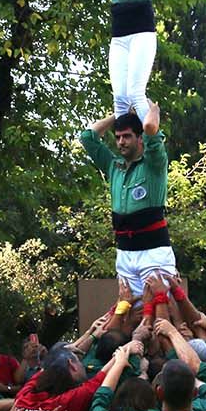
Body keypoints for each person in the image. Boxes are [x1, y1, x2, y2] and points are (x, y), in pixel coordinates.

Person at [81, 102, 173, 307]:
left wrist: (153, 108)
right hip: (124, 253)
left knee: (159, 312)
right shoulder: (113, 166)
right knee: (130, 312)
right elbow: (87, 137)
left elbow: (150, 129)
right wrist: (119, 112)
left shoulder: (154, 164)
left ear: (140, 139)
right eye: (118, 137)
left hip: (153, 251)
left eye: (127, 136)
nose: (121, 142)